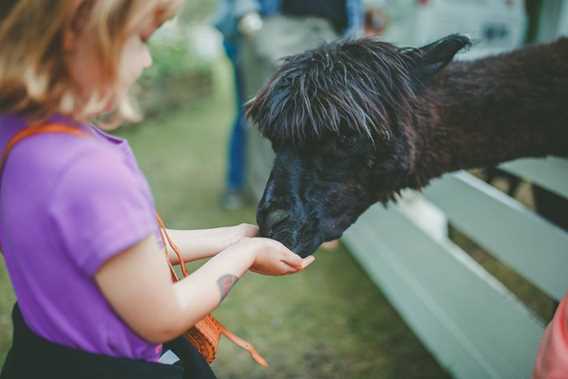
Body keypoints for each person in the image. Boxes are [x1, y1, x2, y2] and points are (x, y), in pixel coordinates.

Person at [0, 1, 315, 378]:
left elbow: (114, 254)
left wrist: (232, 236)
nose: (148, 61)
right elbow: (164, 318)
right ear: (76, 32)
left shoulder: (16, 136)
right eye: (142, 39)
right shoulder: (89, 172)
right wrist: (247, 254)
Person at [214, 0, 363, 209]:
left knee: (322, 124)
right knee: (266, 120)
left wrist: (356, 28)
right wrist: (249, 16)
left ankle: (309, 199)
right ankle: (267, 202)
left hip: (332, 29)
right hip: (277, 25)